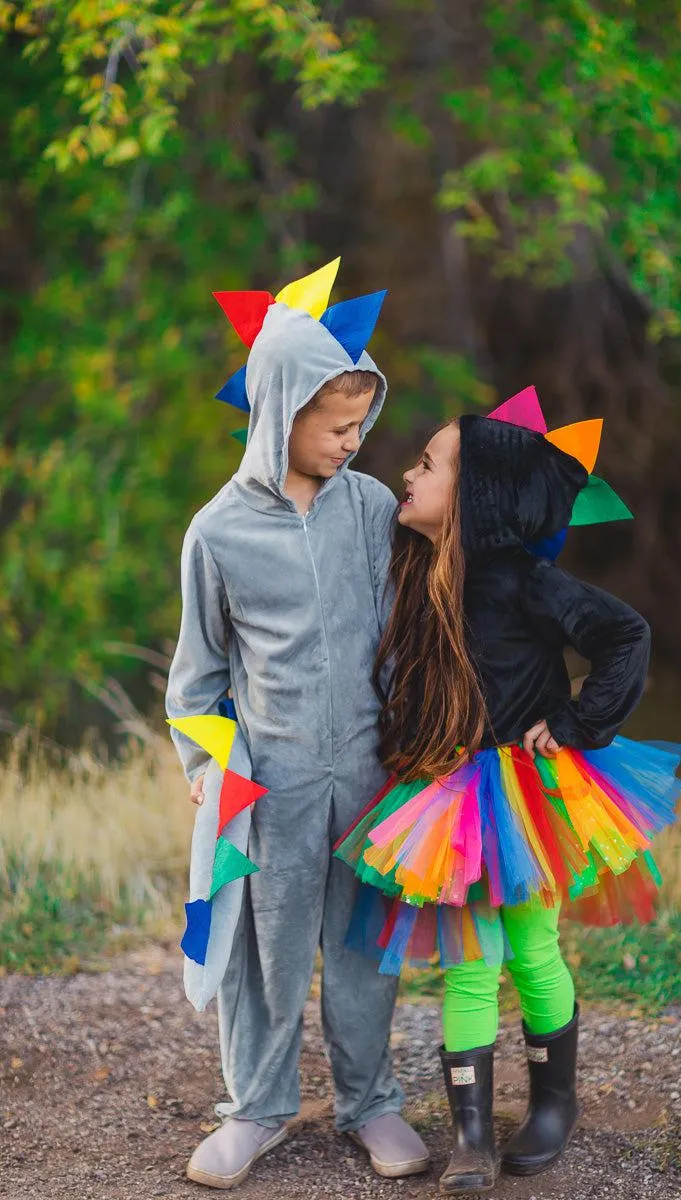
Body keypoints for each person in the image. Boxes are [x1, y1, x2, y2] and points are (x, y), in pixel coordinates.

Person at [335, 403, 681, 1195]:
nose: (408, 474)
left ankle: (553, 1106)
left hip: (525, 799)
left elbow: (625, 635)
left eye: (427, 464)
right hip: (450, 800)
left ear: (477, 496)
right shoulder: (414, 568)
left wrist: (575, 720)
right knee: (467, 965)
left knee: (530, 950)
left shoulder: (524, 579)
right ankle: (470, 1136)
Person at [166, 262, 429, 1189]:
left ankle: (372, 1102)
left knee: (363, 946)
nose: (356, 443)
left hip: (366, 772)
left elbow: (400, 642)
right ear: (279, 414)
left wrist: (416, 744)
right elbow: (196, 675)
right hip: (267, 788)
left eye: (363, 424)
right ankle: (259, 1110)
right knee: (263, 952)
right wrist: (207, 762)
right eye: (337, 428)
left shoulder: (369, 510)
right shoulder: (217, 533)